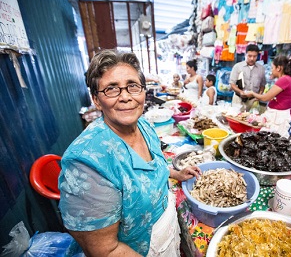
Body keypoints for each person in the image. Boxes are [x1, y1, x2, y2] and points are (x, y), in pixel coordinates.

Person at [58, 49, 201, 257]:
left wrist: (176, 173)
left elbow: (148, 169)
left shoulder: (143, 125)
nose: (125, 97)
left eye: (132, 86)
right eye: (111, 89)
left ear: (143, 91)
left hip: (166, 230)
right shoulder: (86, 163)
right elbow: (106, 251)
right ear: (96, 100)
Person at [243, 56, 291, 138]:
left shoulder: (284, 80)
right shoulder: (288, 79)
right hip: (279, 114)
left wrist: (252, 93)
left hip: (279, 116)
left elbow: (265, 98)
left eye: (272, 68)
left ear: (278, 68)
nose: (271, 70)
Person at [229, 44, 266, 111]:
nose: (252, 59)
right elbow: (232, 84)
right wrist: (240, 92)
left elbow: (262, 85)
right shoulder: (237, 67)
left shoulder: (261, 69)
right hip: (238, 99)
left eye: (254, 56)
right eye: (249, 56)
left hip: (253, 100)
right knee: (235, 117)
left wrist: (259, 96)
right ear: (245, 55)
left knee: (250, 119)